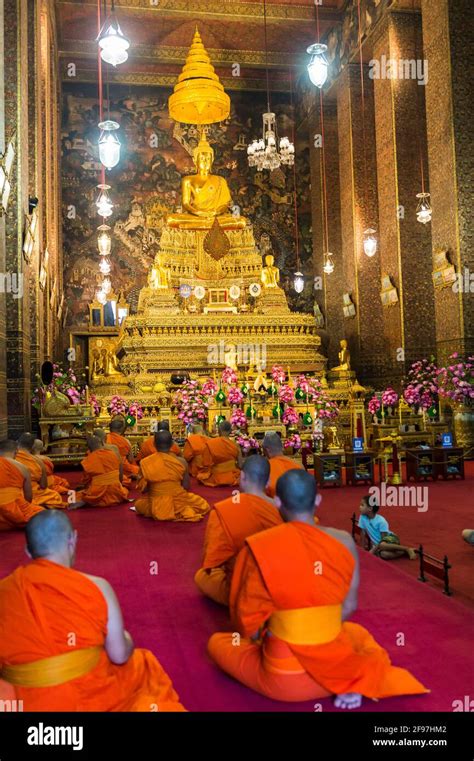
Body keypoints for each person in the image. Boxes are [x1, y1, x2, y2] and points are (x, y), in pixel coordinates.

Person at [208, 469, 428, 708]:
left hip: (284, 680)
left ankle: (334, 673)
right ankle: (352, 680)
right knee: (358, 635)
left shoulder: (258, 547)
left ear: (278, 502)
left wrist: (267, 637)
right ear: (318, 500)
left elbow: (245, 619)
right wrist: (317, 630)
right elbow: (349, 606)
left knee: (218, 643)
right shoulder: (344, 540)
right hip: (335, 667)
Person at [0, 511, 185, 711]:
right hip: (90, 696)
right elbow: (119, 655)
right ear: (72, 540)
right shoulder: (97, 586)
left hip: (21, 700)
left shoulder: (6, 590)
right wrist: (127, 639)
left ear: (28, 551)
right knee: (144, 664)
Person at [194, 455, 281, 605]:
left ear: (242, 477)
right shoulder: (281, 509)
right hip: (276, 583)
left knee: (202, 576)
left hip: (242, 587)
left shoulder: (225, 511)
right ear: (268, 482)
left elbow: (212, 560)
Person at [135, 431, 209, 522]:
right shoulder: (181, 461)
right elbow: (186, 486)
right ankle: (175, 510)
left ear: (154, 444)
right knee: (201, 504)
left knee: (138, 505)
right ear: (172, 443)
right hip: (178, 502)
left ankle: (165, 510)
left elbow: (144, 490)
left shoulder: (146, 462)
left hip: (157, 504)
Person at [0, 439, 44, 530]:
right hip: (14, 508)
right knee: (42, 514)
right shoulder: (23, 468)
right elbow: (28, 497)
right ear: (16, 451)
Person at [358, 496, 417, 560]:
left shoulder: (381, 521)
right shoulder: (362, 517)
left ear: (370, 508)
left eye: (362, 505)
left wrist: (373, 549)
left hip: (390, 539)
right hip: (380, 546)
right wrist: (363, 549)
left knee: (382, 545)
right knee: (384, 554)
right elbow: (362, 533)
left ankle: (407, 548)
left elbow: (384, 539)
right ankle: (404, 552)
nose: (359, 507)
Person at [15, 433, 65, 508]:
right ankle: (37, 503)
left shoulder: (10, 458)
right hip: (33, 492)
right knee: (55, 496)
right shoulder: (38, 462)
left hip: (16, 492)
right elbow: (43, 485)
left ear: (17, 443)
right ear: (32, 447)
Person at [79, 435, 129, 508]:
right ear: (102, 443)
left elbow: (86, 481)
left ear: (89, 449)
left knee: (78, 495)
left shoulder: (87, 460)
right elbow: (120, 470)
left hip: (98, 495)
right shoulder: (113, 454)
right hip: (117, 492)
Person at [196, 421, 242, 487]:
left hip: (216, 477)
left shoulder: (211, 443)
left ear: (219, 430)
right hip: (232, 476)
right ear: (230, 431)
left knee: (201, 475)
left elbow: (205, 463)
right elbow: (240, 465)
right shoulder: (236, 445)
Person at [262, 431, 302, 498]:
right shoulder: (298, 465)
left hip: (274, 505)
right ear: (282, 447)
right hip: (297, 504)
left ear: (267, 450)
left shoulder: (264, 468)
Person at [106, 418, 139, 485]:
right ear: (121, 429)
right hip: (124, 467)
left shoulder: (104, 439)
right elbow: (130, 459)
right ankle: (127, 475)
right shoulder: (125, 441)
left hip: (108, 467)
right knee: (140, 471)